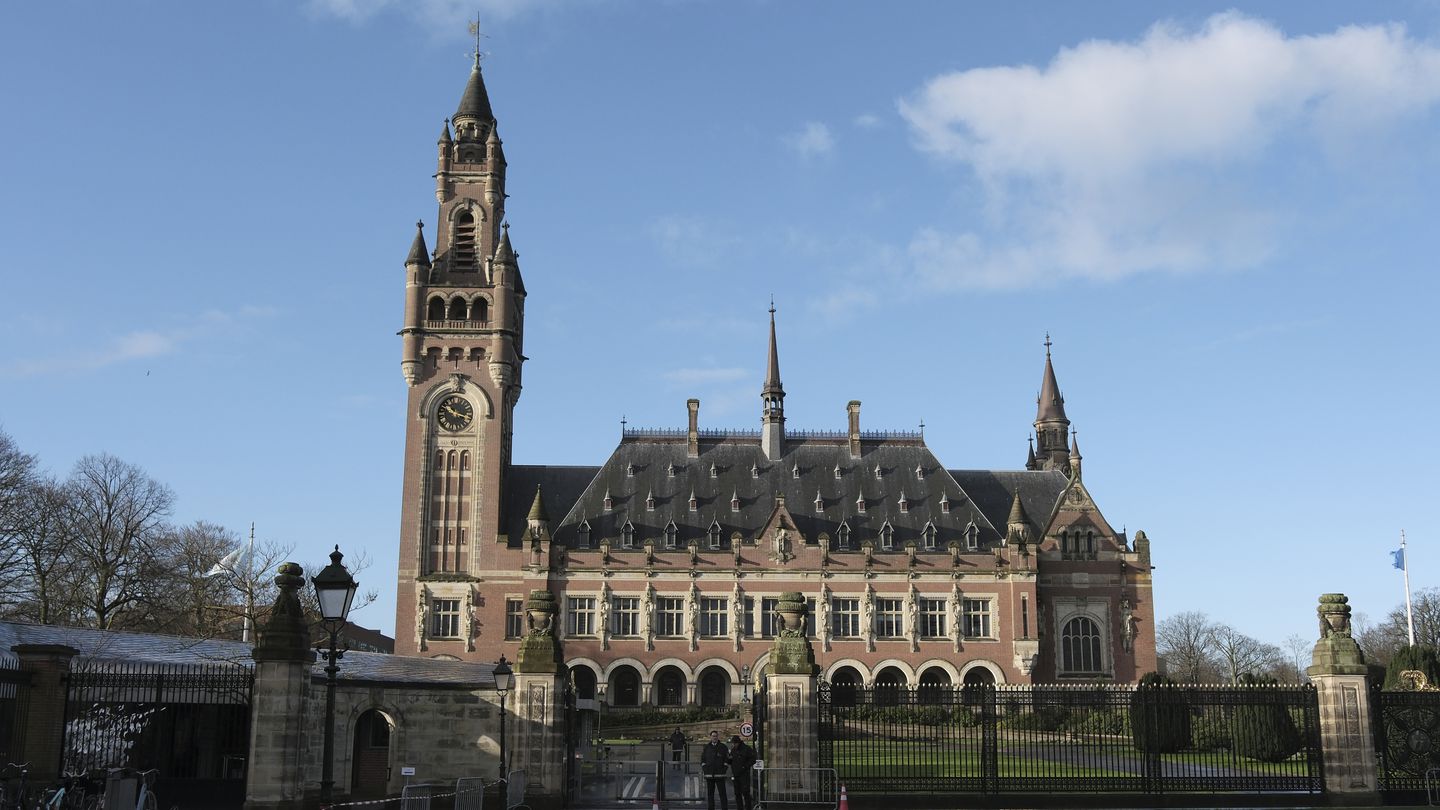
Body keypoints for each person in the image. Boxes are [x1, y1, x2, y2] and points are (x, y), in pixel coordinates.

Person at [700, 729, 730, 810]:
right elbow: (703, 760)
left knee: (722, 794)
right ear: (710, 737)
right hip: (709, 775)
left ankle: (724, 808)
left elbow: (727, 760)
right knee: (710, 794)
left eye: (716, 736)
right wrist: (705, 769)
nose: (715, 737)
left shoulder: (723, 747)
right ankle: (711, 808)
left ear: (718, 737)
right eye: (713, 736)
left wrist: (724, 769)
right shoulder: (706, 747)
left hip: (720, 775)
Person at [728, 735, 757, 810]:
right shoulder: (733, 750)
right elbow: (730, 761)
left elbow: (753, 759)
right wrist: (729, 759)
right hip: (736, 774)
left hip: (744, 774)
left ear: (738, 742)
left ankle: (748, 808)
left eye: (735, 743)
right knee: (737, 793)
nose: (733, 745)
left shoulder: (746, 749)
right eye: (733, 743)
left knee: (746, 793)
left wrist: (745, 766)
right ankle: (739, 808)